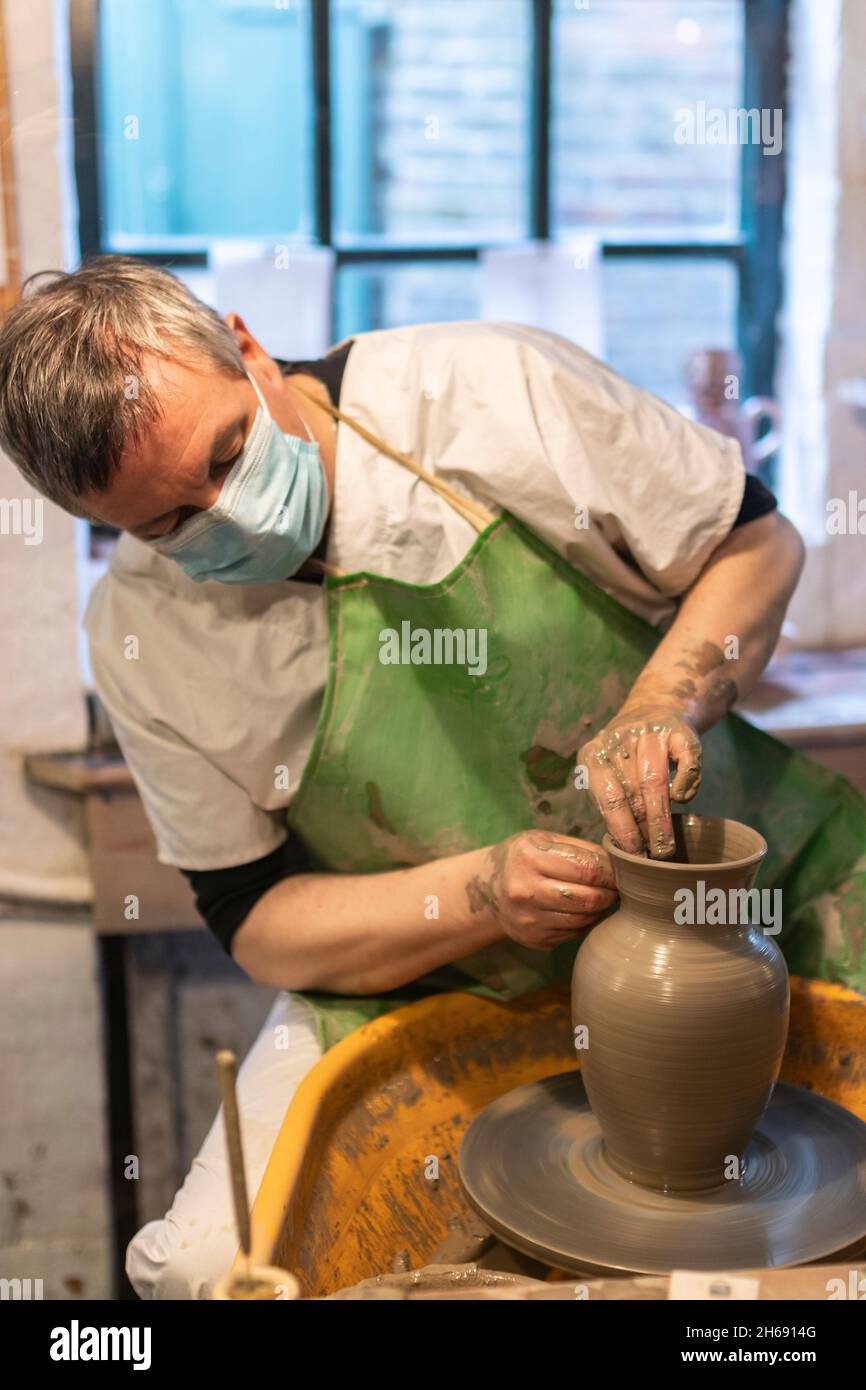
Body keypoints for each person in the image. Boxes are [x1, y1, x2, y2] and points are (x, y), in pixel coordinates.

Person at [2, 254, 859, 1300]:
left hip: (747, 910)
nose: (225, 514)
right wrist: (480, 892)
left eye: (229, 452)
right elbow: (257, 917)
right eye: (165, 523)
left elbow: (757, 543)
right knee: (202, 1269)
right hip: (440, 970)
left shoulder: (485, 392)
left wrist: (660, 699)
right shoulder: (142, 633)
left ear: (248, 347)